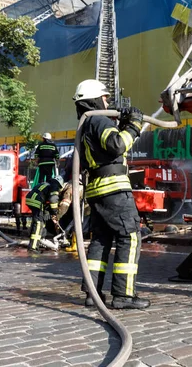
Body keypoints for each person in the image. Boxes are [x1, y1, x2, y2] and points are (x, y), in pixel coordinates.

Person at [73, 79, 149, 310]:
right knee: (130, 236)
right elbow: (116, 145)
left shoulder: (86, 125)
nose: (107, 102)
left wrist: (123, 124)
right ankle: (124, 295)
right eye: (104, 98)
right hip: (114, 189)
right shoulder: (99, 119)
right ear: (95, 99)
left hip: (97, 191)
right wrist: (134, 126)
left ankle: (92, 294)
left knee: (101, 240)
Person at [26, 176, 64, 252]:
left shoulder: (45, 184)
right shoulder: (55, 186)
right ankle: (33, 247)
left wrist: (46, 212)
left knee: (37, 221)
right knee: (38, 223)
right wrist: (55, 212)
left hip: (30, 200)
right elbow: (53, 199)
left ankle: (37, 241)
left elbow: (45, 198)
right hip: (36, 202)